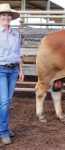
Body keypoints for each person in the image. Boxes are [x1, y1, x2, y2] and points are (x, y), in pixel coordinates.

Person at [0, 3, 24, 144]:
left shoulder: (15, 34)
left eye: (9, 15)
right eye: (3, 15)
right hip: (1, 70)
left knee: (7, 102)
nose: (6, 17)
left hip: (13, 70)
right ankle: (3, 132)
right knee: (3, 102)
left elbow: (18, 53)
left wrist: (21, 70)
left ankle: (4, 127)